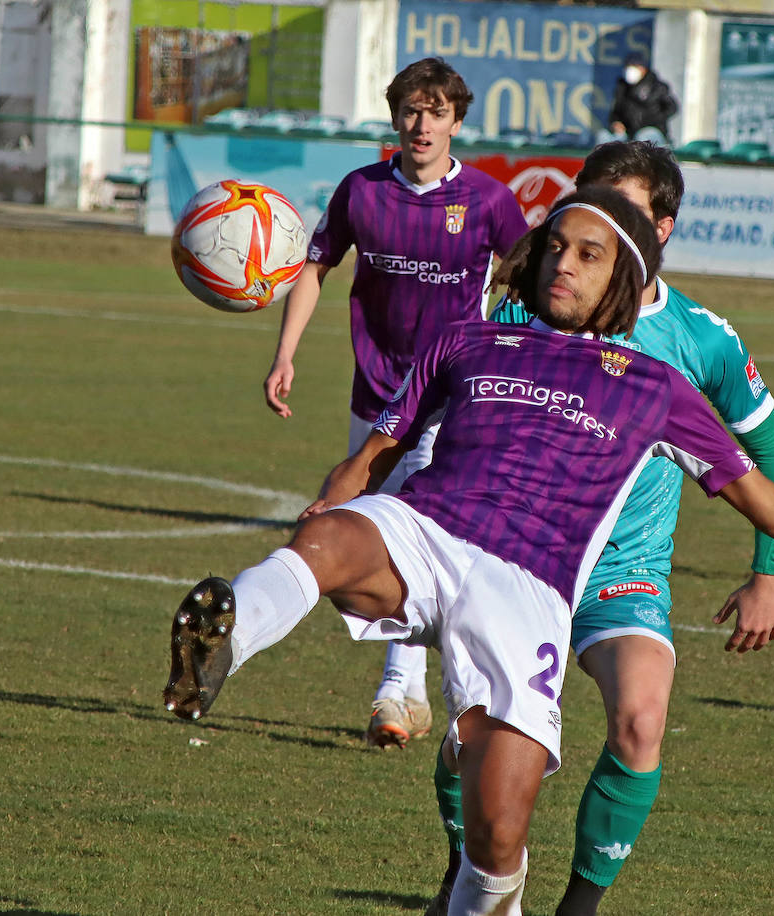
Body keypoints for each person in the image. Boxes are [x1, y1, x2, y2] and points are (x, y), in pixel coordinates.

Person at [166, 185, 774, 916]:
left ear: (622, 280)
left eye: (588, 254)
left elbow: (769, 504)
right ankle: (225, 641)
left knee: (499, 834)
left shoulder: (657, 389)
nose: (562, 263)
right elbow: (374, 455)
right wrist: (333, 497)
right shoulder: (470, 340)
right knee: (333, 540)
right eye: (555, 246)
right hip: (427, 532)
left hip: (526, 587)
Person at [427, 141, 774, 916]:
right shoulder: (528, 304)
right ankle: (468, 877)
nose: (592, 228)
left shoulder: (699, 337)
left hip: (621, 573)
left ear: (661, 228)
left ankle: (578, 909)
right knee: (471, 745)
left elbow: (766, 444)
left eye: (622, 212)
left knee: (640, 719)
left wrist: (770, 571)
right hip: (515, 561)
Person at [262, 57, 529, 747]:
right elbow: (316, 265)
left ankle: (395, 690)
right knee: (377, 531)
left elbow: (530, 281)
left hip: (449, 400)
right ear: (395, 117)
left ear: (456, 122)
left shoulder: (489, 200)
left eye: (435, 112)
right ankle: (416, 691)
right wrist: (286, 352)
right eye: (410, 110)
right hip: (374, 392)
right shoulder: (362, 192)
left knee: (408, 527)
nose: (421, 124)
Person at [607, 51, 678, 145]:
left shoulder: (657, 87)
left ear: (643, 69)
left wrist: (652, 120)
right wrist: (616, 123)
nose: (631, 70)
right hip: (628, 133)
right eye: (628, 67)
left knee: (642, 138)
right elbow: (615, 112)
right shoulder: (622, 88)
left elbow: (672, 108)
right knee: (605, 137)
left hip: (652, 131)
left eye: (635, 67)